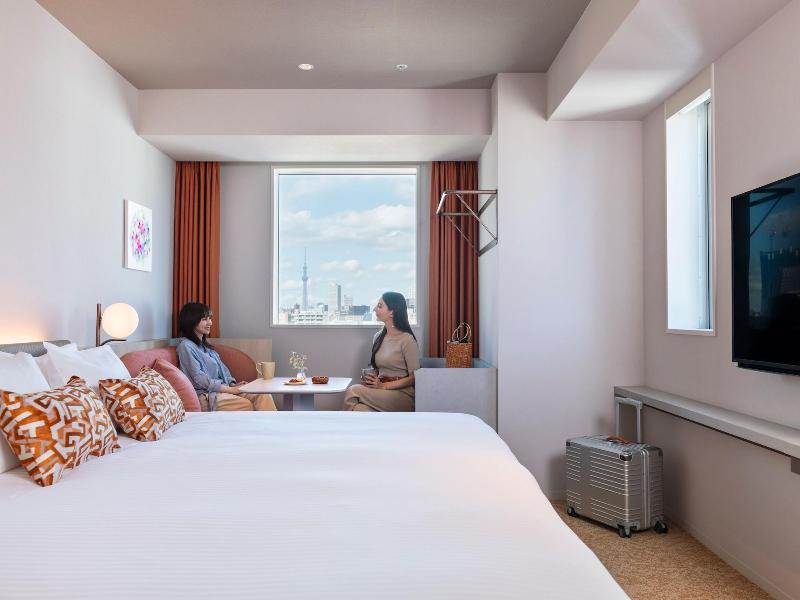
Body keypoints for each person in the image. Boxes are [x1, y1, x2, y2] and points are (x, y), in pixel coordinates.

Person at [176, 302, 276, 412]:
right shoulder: (185, 346)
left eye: (210, 318)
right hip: (207, 396)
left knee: (263, 394)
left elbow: (223, 370)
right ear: (191, 321)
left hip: (223, 390)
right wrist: (230, 390)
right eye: (204, 319)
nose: (210, 322)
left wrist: (232, 384)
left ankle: (272, 423)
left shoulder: (206, 348)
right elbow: (199, 379)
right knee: (246, 405)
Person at [343, 291, 420, 412]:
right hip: (382, 391)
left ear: (392, 312)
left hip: (402, 395)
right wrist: (371, 379)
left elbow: (415, 377)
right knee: (359, 409)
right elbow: (379, 369)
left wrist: (384, 386)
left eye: (379, 306)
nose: (374, 309)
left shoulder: (407, 340)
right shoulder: (378, 337)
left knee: (353, 390)